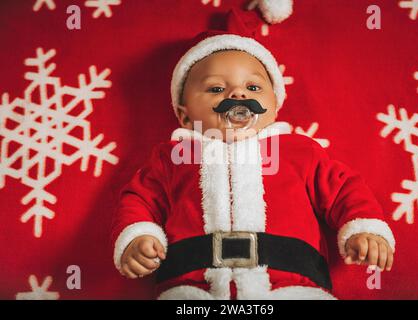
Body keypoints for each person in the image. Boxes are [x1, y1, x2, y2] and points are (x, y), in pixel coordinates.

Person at [111, 7, 395, 300]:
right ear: (184, 117)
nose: (237, 94)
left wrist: (365, 228)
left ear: (274, 106)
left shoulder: (299, 151)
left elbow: (344, 189)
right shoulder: (174, 156)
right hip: (193, 290)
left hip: (293, 286)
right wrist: (138, 236)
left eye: (253, 86)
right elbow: (139, 198)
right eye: (217, 88)